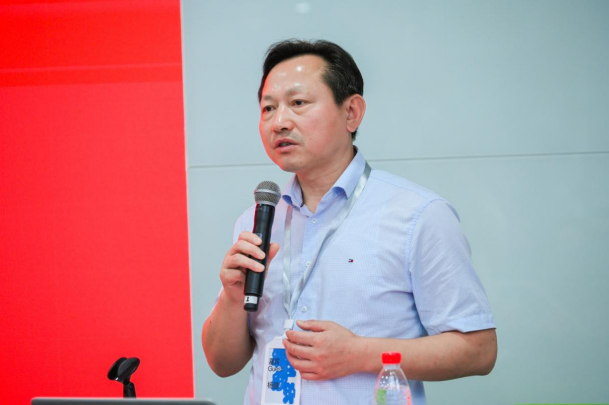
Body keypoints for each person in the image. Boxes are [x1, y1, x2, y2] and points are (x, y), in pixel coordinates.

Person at [202, 39, 497, 405]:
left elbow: (478, 350)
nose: (279, 122)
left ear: (352, 112)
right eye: (268, 108)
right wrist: (232, 297)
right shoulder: (256, 221)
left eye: (298, 103)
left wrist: (360, 354)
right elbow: (222, 363)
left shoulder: (417, 214)